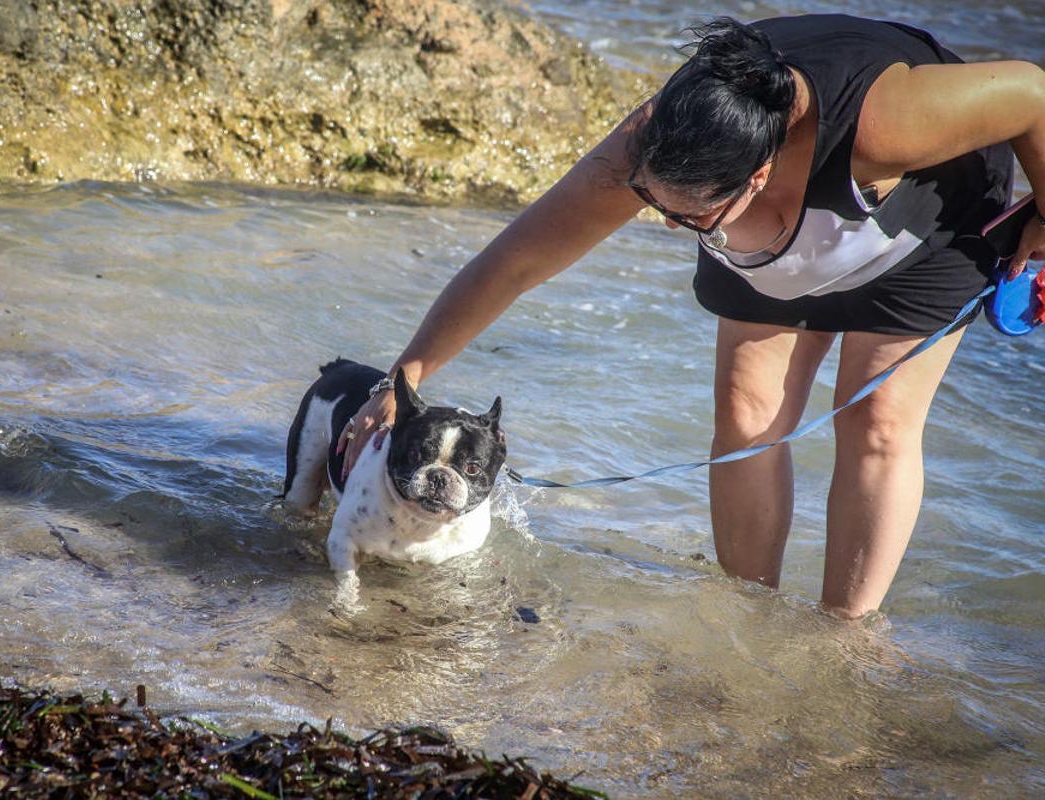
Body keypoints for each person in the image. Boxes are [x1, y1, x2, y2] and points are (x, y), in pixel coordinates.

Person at [335, 14, 1045, 618]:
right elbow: (517, 260)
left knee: (877, 418)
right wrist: (410, 369)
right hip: (766, 232)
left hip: (927, 219)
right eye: (656, 204)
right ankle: (752, 613)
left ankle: (845, 635)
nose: (672, 226)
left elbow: (1033, 95)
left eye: (688, 214)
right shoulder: (658, 143)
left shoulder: (889, 125)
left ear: (757, 176)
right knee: (747, 412)